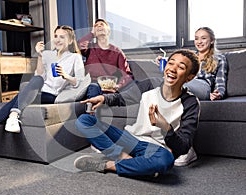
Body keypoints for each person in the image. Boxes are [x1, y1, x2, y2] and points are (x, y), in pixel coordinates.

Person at [73, 49, 200, 177]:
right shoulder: (150, 84)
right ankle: (123, 158)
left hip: (157, 148)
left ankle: (108, 165)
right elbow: (122, 98)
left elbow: (183, 147)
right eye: (171, 63)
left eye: (181, 67)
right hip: (131, 139)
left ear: (190, 77)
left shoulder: (191, 103)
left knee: (165, 160)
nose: (172, 69)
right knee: (84, 121)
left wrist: (165, 127)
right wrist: (104, 98)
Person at [0, 25, 85, 141]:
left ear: (70, 41)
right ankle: (0, 122)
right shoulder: (49, 55)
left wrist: (66, 75)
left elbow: (79, 81)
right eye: (56, 36)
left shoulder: (75, 57)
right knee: (35, 81)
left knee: (19, 97)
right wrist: (40, 55)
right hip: (40, 91)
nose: (57, 40)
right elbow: (39, 76)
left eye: (62, 37)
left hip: (53, 95)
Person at [157, 27, 228, 166]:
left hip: (203, 86)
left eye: (203, 38)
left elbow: (221, 81)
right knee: (163, 89)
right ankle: (165, 142)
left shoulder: (219, 58)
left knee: (180, 87)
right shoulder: (189, 57)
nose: (199, 41)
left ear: (212, 40)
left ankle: (186, 149)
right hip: (184, 82)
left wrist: (219, 93)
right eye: (196, 38)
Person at [78, 19, 134, 98]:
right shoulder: (90, 48)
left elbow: (127, 75)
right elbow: (80, 45)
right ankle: (91, 109)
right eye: (96, 26)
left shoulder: (117, 52)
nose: (99, 26)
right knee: (93, 87)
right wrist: (91, 34)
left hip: (108, 86)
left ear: (108, 31)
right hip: (91, 84)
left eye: (102, 24)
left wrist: (118, 85)